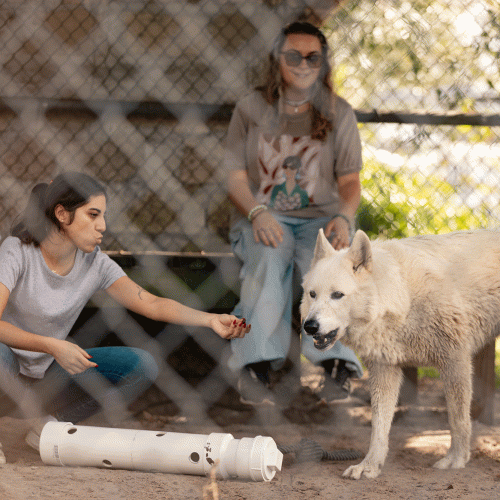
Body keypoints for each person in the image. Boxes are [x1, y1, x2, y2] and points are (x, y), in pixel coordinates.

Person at [0, 172, 250, 463]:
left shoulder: (95, 262)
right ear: (62, 214)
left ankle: (48, 427)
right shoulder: (16, 251)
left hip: (47, 380)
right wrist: (53, 346)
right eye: (93, 215)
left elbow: (153, 304)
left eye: (103, 216)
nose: (102, 226)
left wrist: (209, 320)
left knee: (141, 365)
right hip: (7, 371)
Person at [224, 21, 363, 406]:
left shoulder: (339, 112)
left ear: (323, 63)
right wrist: (256, 212)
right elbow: (234, 177)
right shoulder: (251, 108)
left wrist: (344, 218)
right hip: (263, 217)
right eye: (293, 56)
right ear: (277, 61)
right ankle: (257, 367)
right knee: (269, 258)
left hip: (320, 219)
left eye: (312, 57)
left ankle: (336, 365)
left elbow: (350, 182)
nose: (303, 64)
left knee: (322, 268)